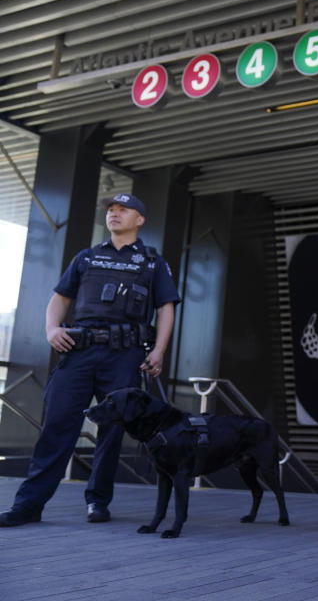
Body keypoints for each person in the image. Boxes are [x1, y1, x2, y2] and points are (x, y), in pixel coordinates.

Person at [0, 193, 180, 527]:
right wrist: (51, 328)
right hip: (78, 352)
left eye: (123, 210)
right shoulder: (87, 257)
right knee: (56, 427)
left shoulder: (153, 262)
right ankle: (28, 506)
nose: (114, 214)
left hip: (125, 355)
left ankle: (98, 502)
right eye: (111, 210)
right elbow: (60, 297)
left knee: (111, 431)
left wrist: (159, 351)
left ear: (139, 219)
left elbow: (165, 307)